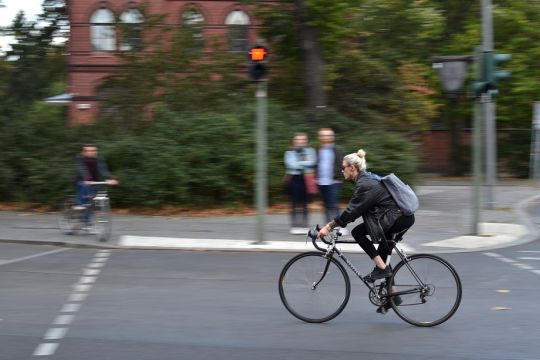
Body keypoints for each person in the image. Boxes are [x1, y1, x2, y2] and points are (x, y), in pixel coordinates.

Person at [317, 149, 415, 286]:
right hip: (399, 217)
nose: (342, 171)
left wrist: (329, 227)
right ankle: (392, 296)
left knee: (357, 233)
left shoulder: (365, 184)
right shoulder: (367, 178)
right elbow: (356, 209)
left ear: (352, 168)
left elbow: (352, 211)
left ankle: (382, 269)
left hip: (398, 218)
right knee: (383, 254)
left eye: (343, 167)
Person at [284, 133, 317, 234]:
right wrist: (305, 162)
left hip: (307, 178)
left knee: (305, 203)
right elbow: (290, 165)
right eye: (298, 139)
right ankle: (295, 225)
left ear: (306, 141)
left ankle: (304, 225)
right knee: (293, 203)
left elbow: (313, 162)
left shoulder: (311, 151)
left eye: (303, 139)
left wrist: (298, 163)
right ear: (294, 141)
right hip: (294, 178)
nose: (300, 141)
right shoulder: (289, 152)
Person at [316, 128, 345, 229]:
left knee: (334, 205)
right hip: (321, 182)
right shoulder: (318, 150)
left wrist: (338, 177)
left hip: (334, 181)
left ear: (332, 137)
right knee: (326, 206)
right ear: (320, 137)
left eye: (328, 135)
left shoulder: (337, 149)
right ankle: (328, 226)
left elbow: (342, 164)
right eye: (323, 135)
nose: (326, 137)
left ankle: (339, 226)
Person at [75, 144, 118, 209]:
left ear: (96, 151)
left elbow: (103, 169)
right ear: (83, 152)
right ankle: (79, 203)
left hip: (95, 182)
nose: (90, 152)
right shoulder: (79, 158)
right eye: (87, 151)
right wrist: (87, 178)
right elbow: (81, 169)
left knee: (92, 200)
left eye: (92, 150)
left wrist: (109, 178)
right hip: (82, 180)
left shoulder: (99, 159)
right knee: (84, 186)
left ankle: (88, 215)